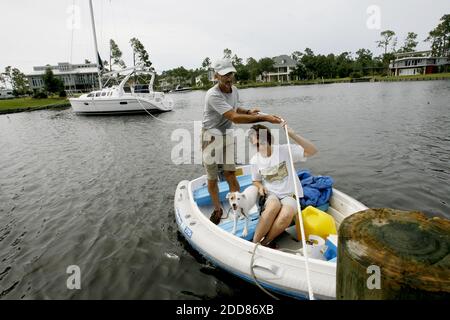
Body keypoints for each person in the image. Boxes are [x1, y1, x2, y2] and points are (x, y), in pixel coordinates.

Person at [202, 58, 282, 224]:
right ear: (216, 76)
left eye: (231, 73)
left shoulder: (234, 90)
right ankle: (217, 209)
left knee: (230, 173)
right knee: (212, 177)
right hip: (210, 137)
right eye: (225, 74)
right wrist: (264, 118)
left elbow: (235, 108)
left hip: (227, 135)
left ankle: (238, 207)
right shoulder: (212, 95)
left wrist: (249, 111)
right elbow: (235, 117)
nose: (229, 77)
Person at [249, 123, 318, 247]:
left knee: (286, 215)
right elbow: (256, 180)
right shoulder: (255, 160)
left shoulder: (284, 150)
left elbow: (312, 151)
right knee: (272, 207)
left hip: (290, 195)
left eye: (261, 143)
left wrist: (293, 135)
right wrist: (260, 187)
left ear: (268, 139)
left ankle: (265, 243)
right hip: (271, 194)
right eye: (256, 144)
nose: (259, 147)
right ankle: (254, 243)